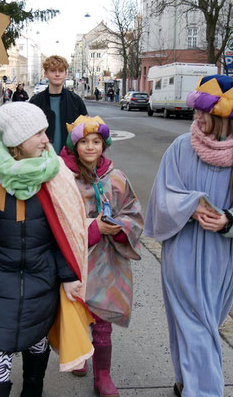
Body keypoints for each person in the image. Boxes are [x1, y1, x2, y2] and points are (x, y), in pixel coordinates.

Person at [144, 75, 233, 397]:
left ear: (223, 115)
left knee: (200, 325)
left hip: (224, 258)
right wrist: (190, 205)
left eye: (202, 112)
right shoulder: (181, 147)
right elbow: (163, 195)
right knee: (195, 323)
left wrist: (230, 221)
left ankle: (185, 382)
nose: (195, 117)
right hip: (181, 249)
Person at [0, 102, 92, 396]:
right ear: (17, 140)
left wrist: (68, 275)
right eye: (38, 133)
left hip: (41, 285)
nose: (46, 139)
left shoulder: (55, 174)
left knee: (35, 360)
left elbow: (65, 234)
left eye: (45, 131)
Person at [59, 115, 143, 397]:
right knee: (78, 310)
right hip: (77, 259)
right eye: (84, 142)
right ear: (75, 146)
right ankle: (78, 352)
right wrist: (95, 227)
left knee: (103, 317)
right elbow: (60, 221)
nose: (91, 148)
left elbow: (133, 211)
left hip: (108, 261)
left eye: (96, 142)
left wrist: (119, 228)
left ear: (104, 145)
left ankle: (103, 376)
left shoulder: (116, 178)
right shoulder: (64, 178)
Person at [30, 55, 88, 153]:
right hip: (42, 160)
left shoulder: (76, 101)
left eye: (61, 71)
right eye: (53, 71)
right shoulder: (35, 101)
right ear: (45, 74)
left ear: (65, 74)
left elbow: (86, 131)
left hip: (71, 160)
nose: (57, 74)